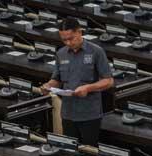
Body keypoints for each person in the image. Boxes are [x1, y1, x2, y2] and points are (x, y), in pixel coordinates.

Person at [41, 17, 114, 146]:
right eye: (64, 40)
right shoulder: (61, 53)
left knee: (88, 153)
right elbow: (57, 79)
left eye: (71, 38)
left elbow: (108, 81)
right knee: (69, 151)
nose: (68, 43)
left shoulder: (96, 51)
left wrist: (88, 88)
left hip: (89, 114)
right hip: (68, 113)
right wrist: (48, 86)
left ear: (80, 32)